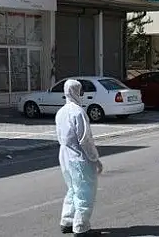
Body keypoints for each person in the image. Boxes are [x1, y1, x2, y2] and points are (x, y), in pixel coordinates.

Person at [55, 79, 104, 237]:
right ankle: (81, 227)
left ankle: (67, 221)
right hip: (79, 157)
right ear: (77, 92)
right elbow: (85, 139)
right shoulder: (78, 112)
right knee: (84, 192)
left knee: (72, 189)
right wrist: (95, 158)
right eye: (81, 91)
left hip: (65, 156)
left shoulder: (61, 112)